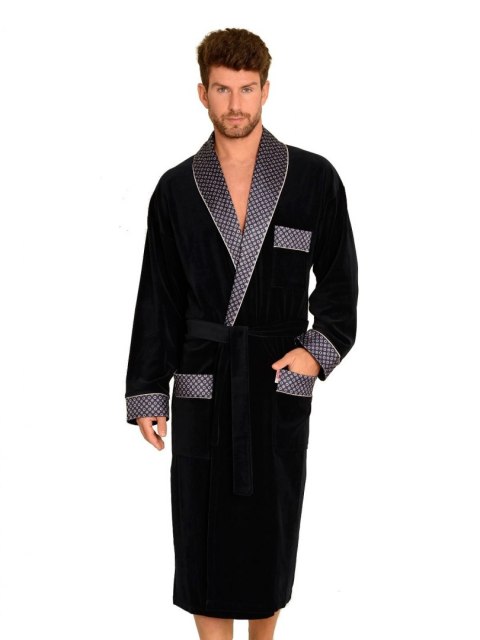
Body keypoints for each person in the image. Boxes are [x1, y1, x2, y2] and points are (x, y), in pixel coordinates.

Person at [124, 27, 358, 640]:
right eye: (223, 89)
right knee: (201, 537)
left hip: (274, 384)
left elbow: (340, 286)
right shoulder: (177, 189)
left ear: (266, 91)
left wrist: (314, 355)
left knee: (268, 537)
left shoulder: (313, 179)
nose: (235, 104)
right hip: (204, 381)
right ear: (202, 93)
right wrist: (148, 391)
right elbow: (158, 298)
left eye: (247, 89)